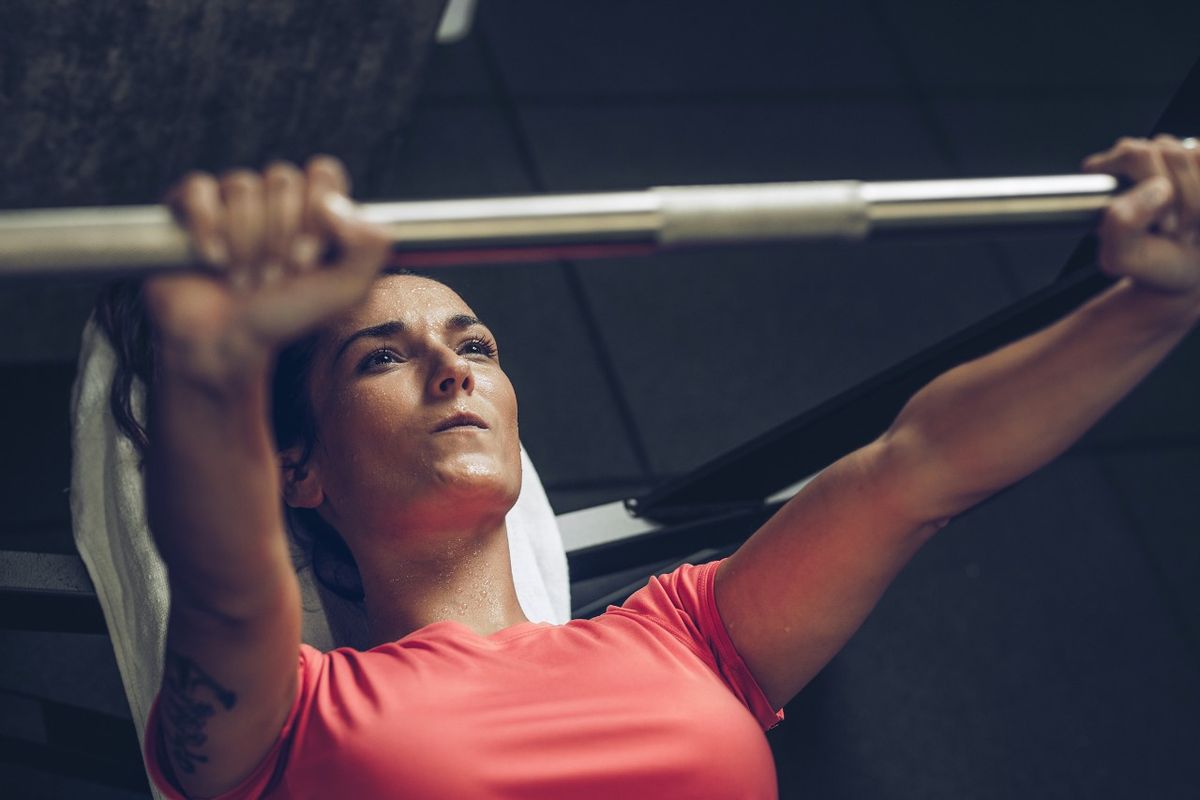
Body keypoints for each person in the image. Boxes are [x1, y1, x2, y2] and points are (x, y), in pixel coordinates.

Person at [119, 137, 1199, 799]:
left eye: (476, 343)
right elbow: (224, 583)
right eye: (382, 357)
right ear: (297, 471)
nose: (451, 367)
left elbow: (923, 465)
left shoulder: (689, 633)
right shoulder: (289, 717)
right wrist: (208, 379)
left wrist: (1159, 302)